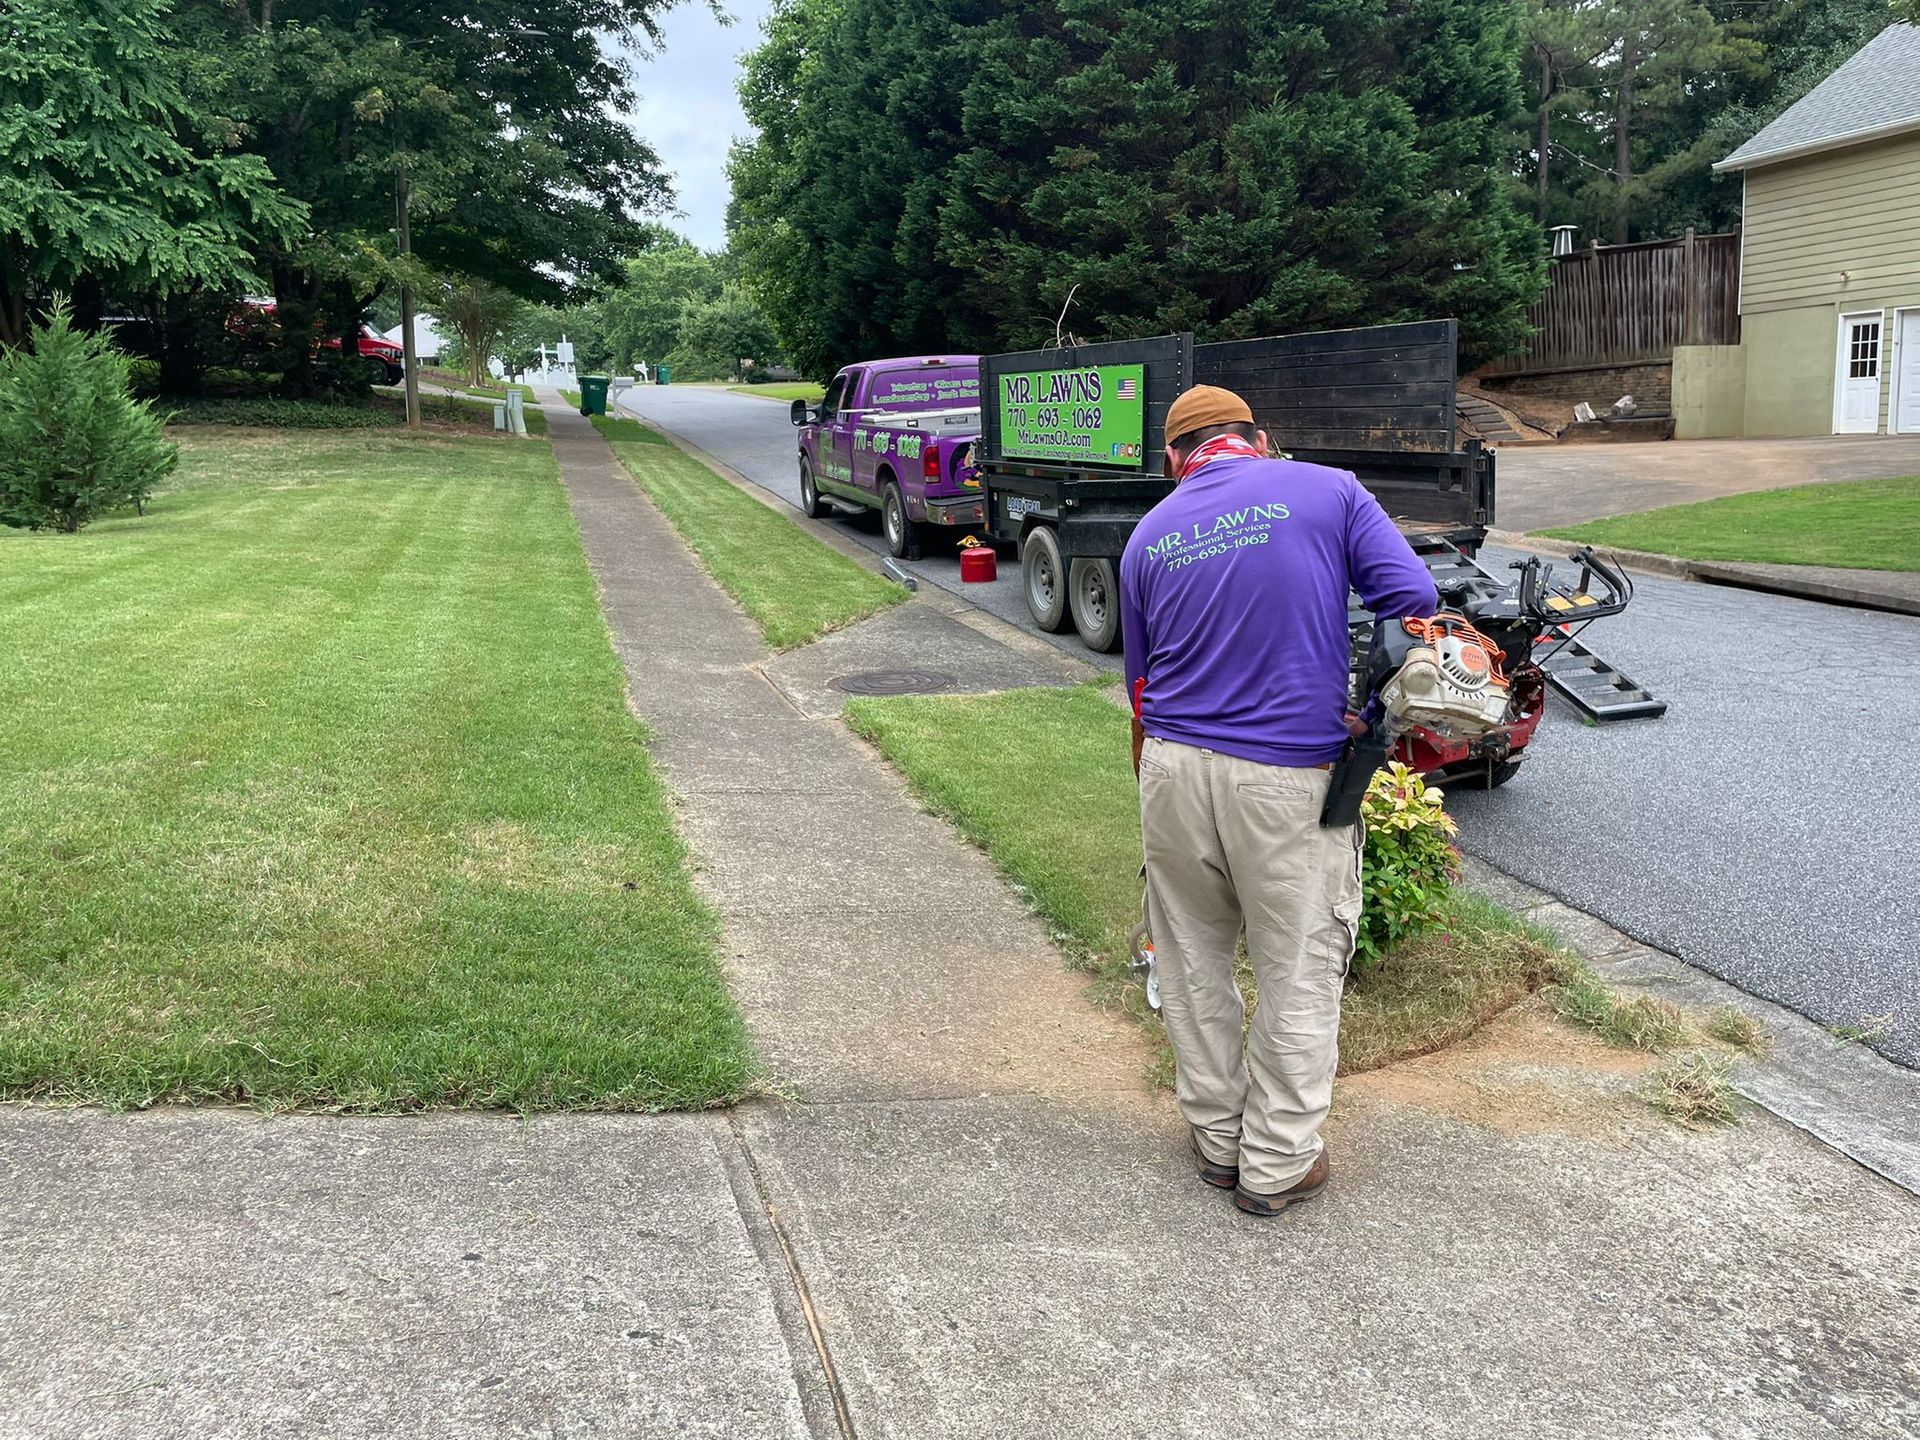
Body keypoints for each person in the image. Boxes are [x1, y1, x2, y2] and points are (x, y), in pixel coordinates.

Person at [1118, 384, 1438, 1218]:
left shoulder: (1147, 536)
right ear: (1260, 440)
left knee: (1191, 964)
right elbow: (1414, 604)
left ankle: (1219, 1144)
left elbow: (1143, 693)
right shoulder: (1328, 489)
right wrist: (1365, 712)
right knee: (1296, 967)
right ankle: (1277, 1166)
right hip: (1287, 778)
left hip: (1174, 771)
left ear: (1173, 462)